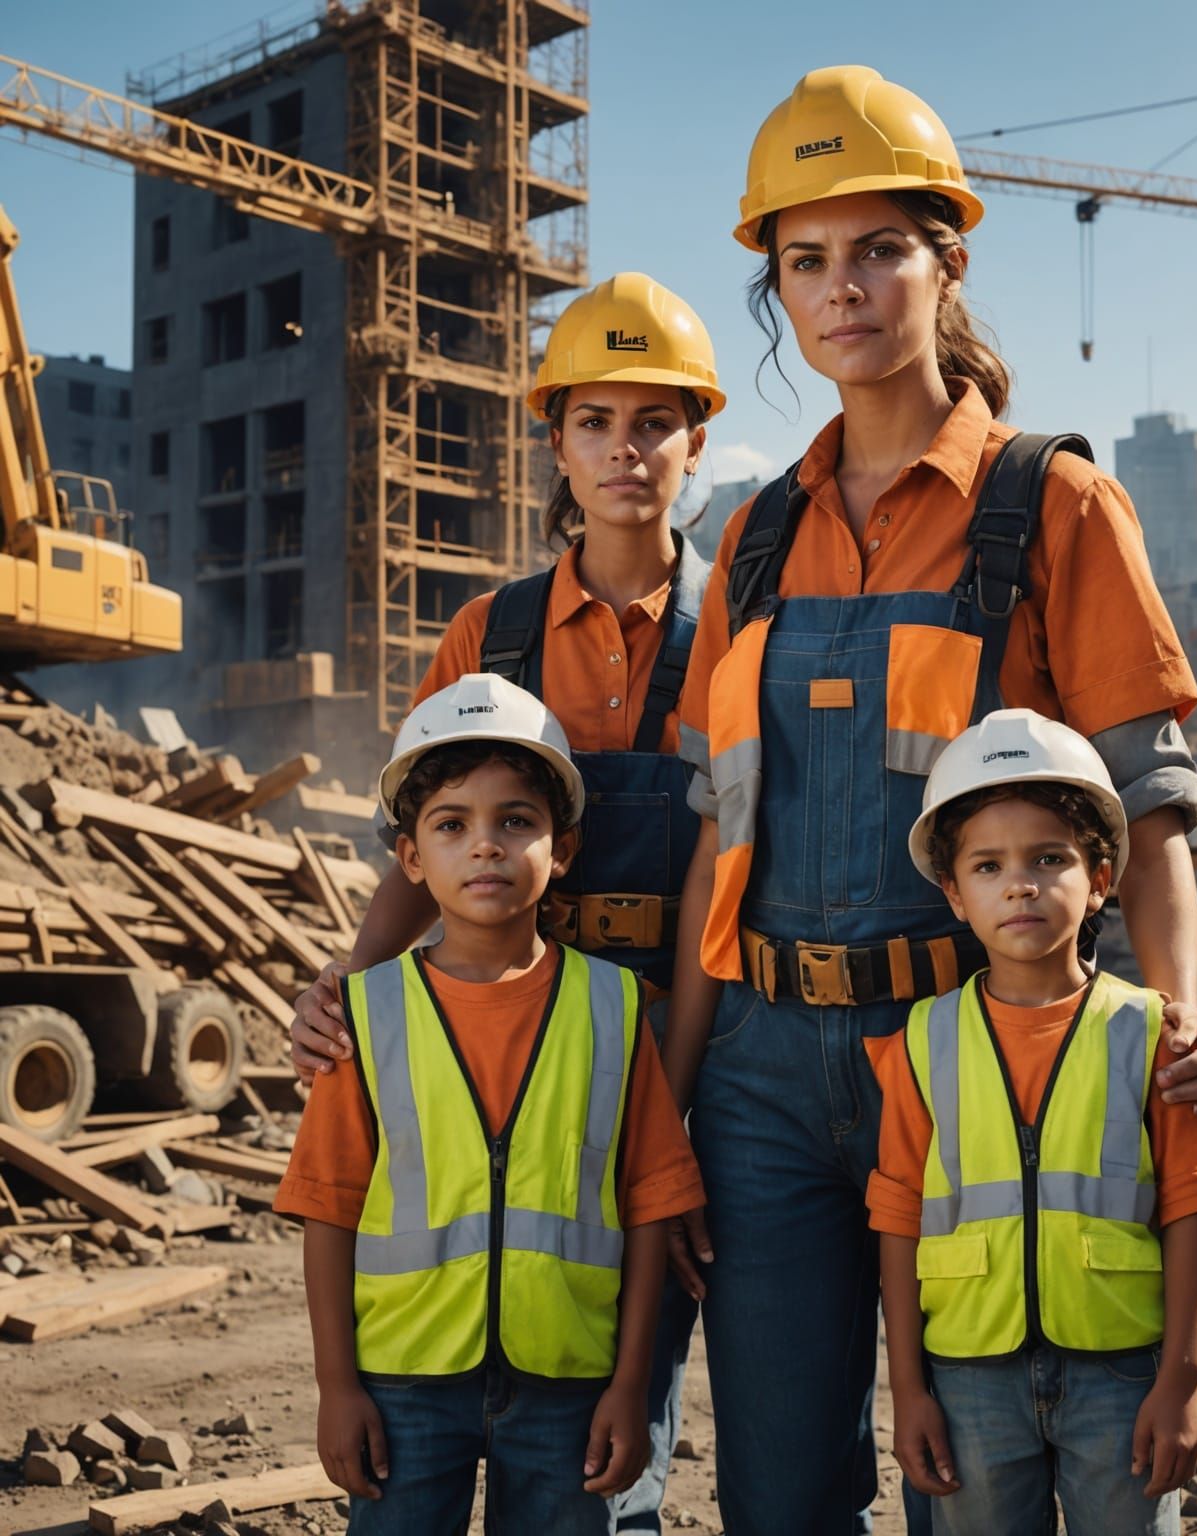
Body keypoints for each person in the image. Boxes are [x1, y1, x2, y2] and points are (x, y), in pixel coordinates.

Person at [656, 67, 1197, 1533]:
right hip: (764, 1074)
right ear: (777, 285)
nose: (840, 289)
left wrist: (1174, 1032)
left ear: (946, 259)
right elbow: (716, 836)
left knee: (976, 1482)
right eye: (805, 260)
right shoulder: (754, 535)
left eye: (877, 250)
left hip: (990, 1060)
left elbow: (1151, 809)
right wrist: (674, 1092)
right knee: (780, 1494)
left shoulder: (1051, 504)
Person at [287, 273, 723, 1530]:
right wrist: (347, 995)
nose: (626, 450)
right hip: (499, 1011)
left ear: (698, 439)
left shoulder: (742, 630)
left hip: (656, 1039)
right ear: (557, 442)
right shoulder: (493, 632)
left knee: (619, 1391)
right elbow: (418, 853)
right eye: (597, 421)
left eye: (656, 420)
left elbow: (718, 886)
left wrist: (677, 1094)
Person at [275, 673, 704, 1534]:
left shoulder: (616, 1009)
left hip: (568, 1386)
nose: (486, 847)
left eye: (517, 821)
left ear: (565, 849)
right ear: (409, 858)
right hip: (403, 1385)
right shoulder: (369, 1015)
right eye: (451, 825)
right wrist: (337, 1387)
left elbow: (649, 1206)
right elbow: (328, 1210)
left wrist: (629, 1386)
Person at [870, 709, 1197, 1534]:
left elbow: (1192, 1207)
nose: (1022, 884)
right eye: (989, 865)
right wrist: (910, 1390)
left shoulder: (1151, 1035)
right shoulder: (922, 1045)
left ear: (1102, 877)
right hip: (969, 1379)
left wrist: (1183, 1381)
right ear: (954, 894)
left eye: (1049, 858)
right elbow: (897, 1221)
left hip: (1121, 1377)